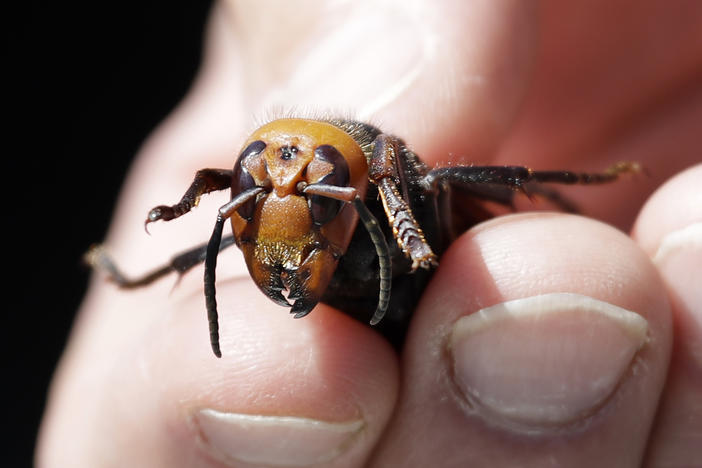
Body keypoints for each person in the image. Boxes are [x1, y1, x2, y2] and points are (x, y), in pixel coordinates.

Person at [36, 1, 700, 466]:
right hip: (362, 345)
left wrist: (566, 185)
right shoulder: (263, 192)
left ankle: (572, 185)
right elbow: (220, 187)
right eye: (255, 183)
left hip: (422, 299)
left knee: (443, 184)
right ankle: (149, 276)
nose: (280, 185)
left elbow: (412, 172)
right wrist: (181, 217)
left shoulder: (386, 169)